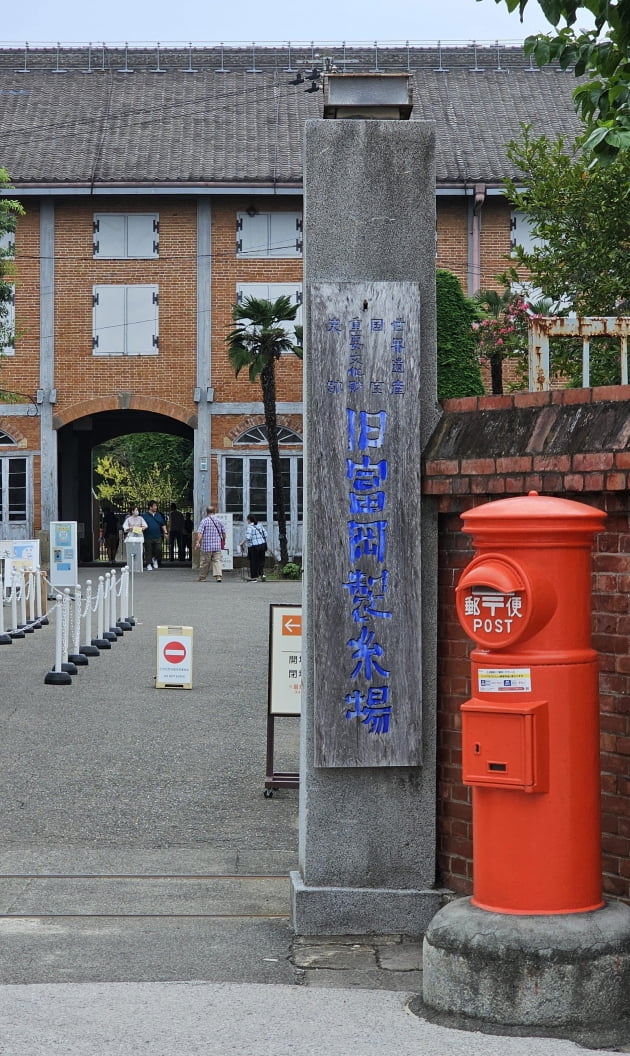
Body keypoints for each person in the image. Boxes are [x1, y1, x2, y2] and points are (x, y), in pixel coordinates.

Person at [195, 506, 225, 583]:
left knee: (205, 562)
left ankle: (202, 577)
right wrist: (224, 540)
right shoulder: (219, 521)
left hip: (206, 546)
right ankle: (218, 576)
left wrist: (198, 541)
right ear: (214, 511)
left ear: (207, 512)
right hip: (217, 546)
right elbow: (223, 532)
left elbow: (200, 533)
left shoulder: (204, 521)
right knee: (217, 561)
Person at [240, 514, 267, 582]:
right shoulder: (260, 525)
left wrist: (242, 543)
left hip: (254, 547)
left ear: (249, 520)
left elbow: (248, 537)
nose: (247, 521)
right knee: (261, 561)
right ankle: (262, 574)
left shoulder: (250, 527)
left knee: (254, 562)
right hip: (262, 545)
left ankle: (254, 577)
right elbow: (266, 534)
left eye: (247, 520)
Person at [143, 500, 168, 571]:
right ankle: (148, 564)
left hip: (157, 536)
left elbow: (163, 524)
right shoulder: (144, 516)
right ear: (150, 507)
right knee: (148, 550)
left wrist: (165, 532)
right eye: (154, 506)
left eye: (156, 506)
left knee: (159, 549)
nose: (156, 507)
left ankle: (155, 558)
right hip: (148, 536)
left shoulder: (159, 515)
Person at [122, 506, 148, 571]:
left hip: (139, 535)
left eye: (137, 510)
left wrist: (141, 528)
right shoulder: (128, 519)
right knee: (131, 550)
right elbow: (125, 527)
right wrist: (130, 528)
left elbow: (145, 526)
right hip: (131, 535)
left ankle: (139, 565)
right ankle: (131, 565)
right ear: (132, 511)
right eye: (136, 510)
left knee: (140, 550)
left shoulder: (140, 518)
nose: (137, 511)